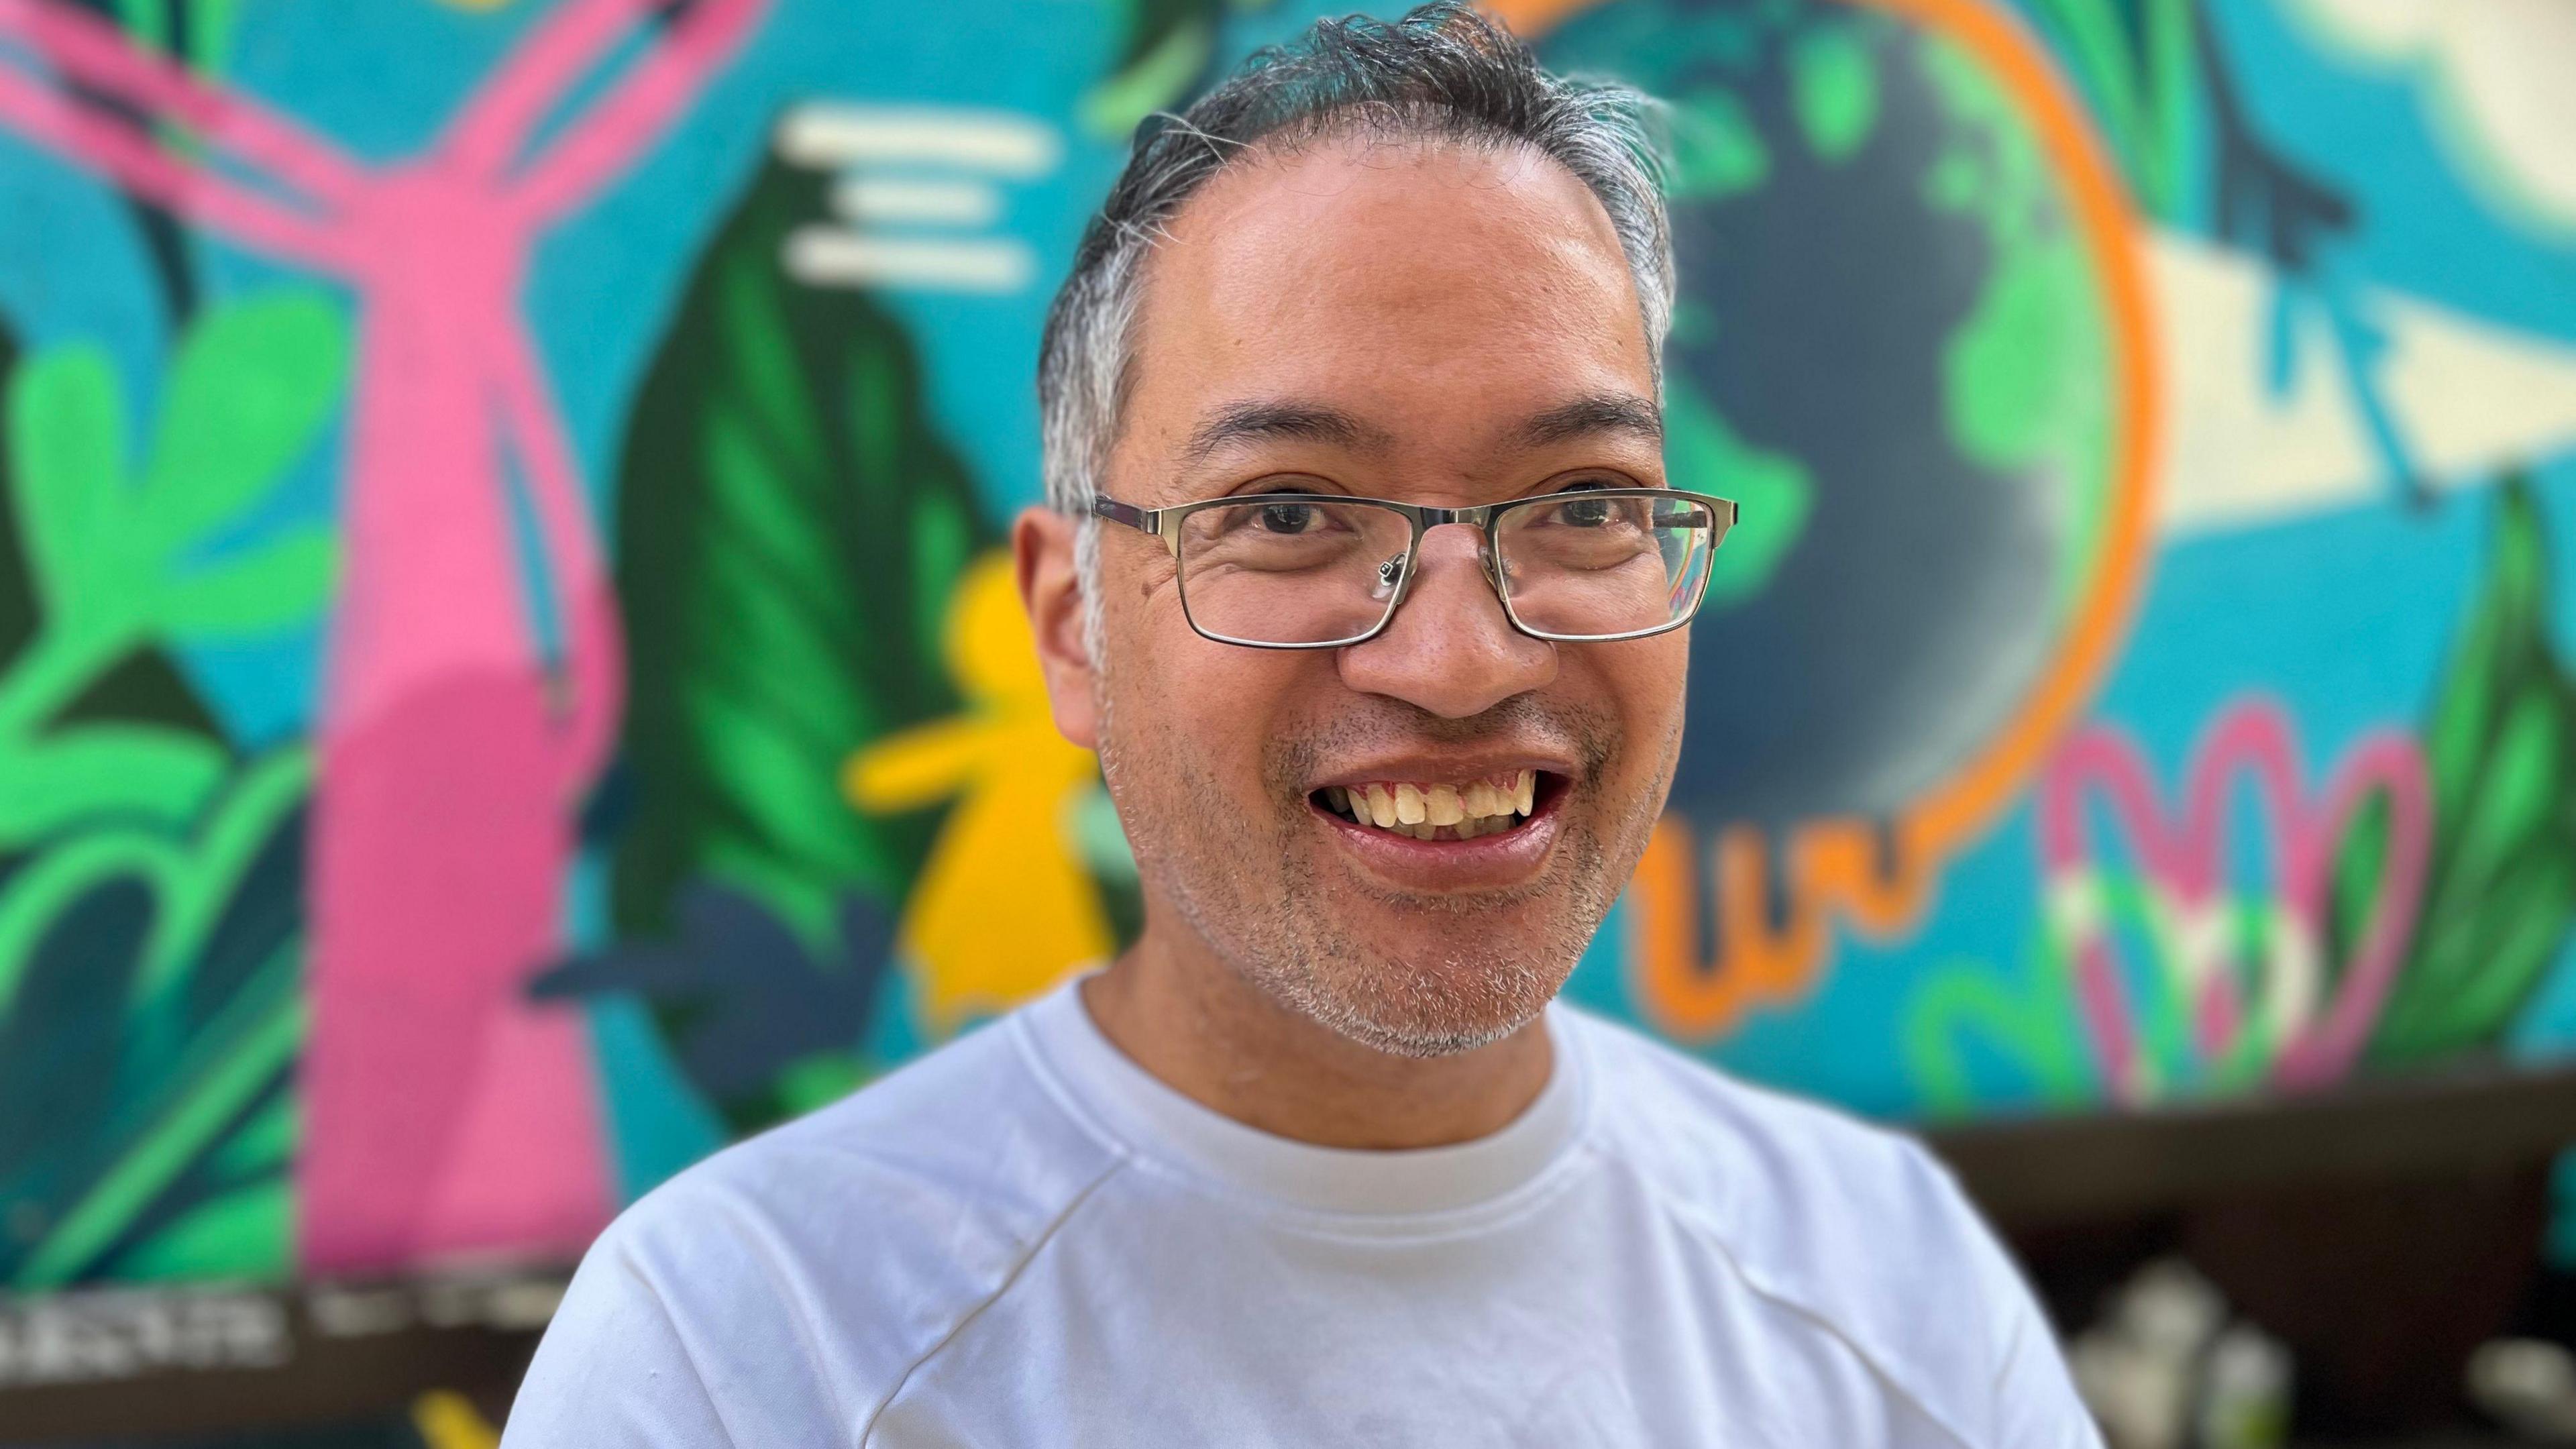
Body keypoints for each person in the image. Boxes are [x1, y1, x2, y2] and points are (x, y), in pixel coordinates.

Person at [502, 5, 2103, 1444]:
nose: (1461, 661)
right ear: (1071, 623)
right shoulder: (751, 1353)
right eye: (1287, 511)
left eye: (1583, 501)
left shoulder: (1893, 1303)